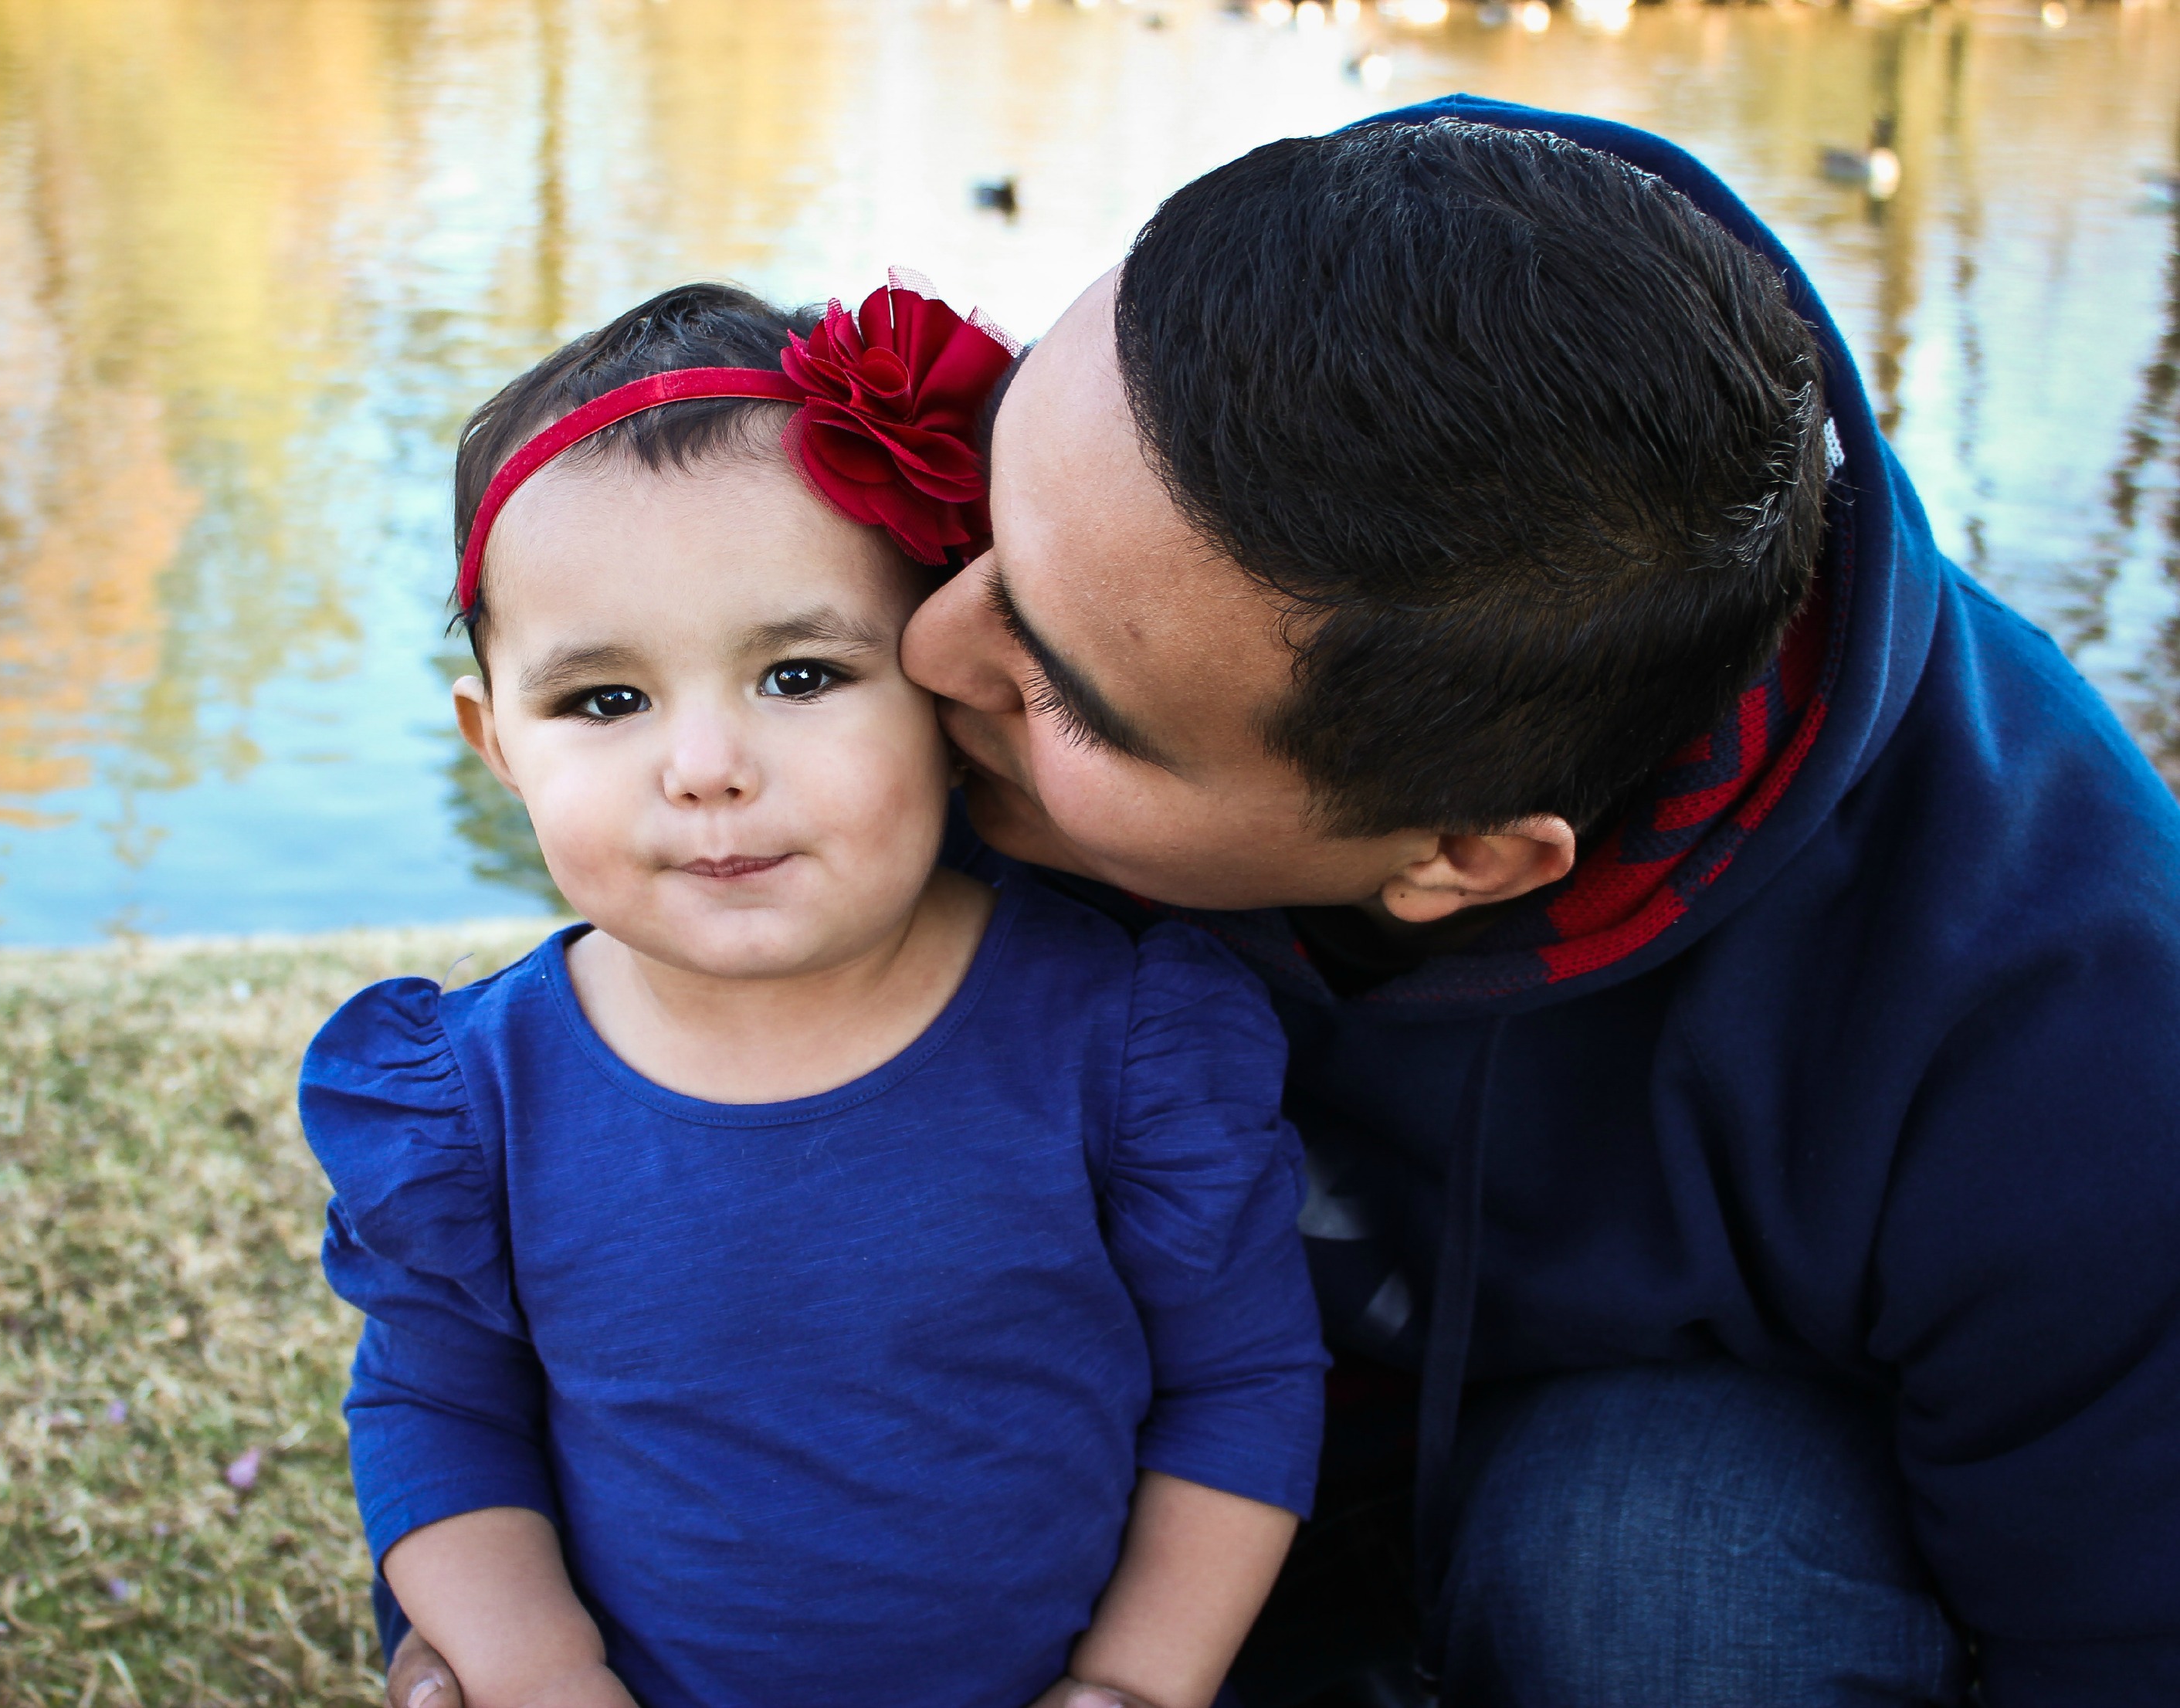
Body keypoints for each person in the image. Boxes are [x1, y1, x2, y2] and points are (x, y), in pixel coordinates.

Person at [888, 100, 2180, 1706]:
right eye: (990, 509)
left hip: (1603, 1497)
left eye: (1064, 698)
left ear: (1466, 859)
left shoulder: (2065, 1017)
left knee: (1671, 1557)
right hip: (1069, 1465)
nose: (922, 647)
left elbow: (2117, 1641)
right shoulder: (1072, 564)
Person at [299, 277, 1327, 1708]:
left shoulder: (1118, 1042)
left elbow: (1239, 1380)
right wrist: (537, 1673)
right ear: (498, 744)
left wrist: (1135, 1685)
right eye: (605, 701)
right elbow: (434, 1407)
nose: (705, 767)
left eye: (797, 674)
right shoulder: (478, 1105)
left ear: (946, 693)